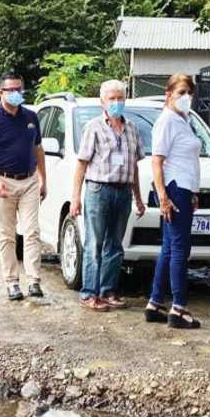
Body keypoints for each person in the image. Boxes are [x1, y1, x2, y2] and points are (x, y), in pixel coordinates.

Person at [71, 80, 146, 312]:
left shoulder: (132, 128)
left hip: (122, 191)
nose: (116, 103)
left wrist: (138, 197)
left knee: (115, 245)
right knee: (94, 243)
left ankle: (108, 290)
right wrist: (75, 198)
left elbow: (134, 167)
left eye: (120, 98)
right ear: (102, 102)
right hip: (98, 190)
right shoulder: (93, 127)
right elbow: (81, 165)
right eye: (111, 99)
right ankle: (89, 293)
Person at [0, 72, 47, 301]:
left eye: (18, 89)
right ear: (0, 92)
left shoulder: (31, 117)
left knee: (32, 231)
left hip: (29, 181)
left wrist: (44, 178)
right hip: (3, 181)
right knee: (6, 235)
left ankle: (34, 281)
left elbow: (38, 149)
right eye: (10, 90)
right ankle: (12, 282)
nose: (15, 94)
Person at [146, 74, 203, 330]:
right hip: (174, 189)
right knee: (180, 249)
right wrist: (164, 198)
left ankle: (155, 303)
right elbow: (157, 161)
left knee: (170, 248)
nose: (185, 97)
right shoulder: (167, 121)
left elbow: (186, 159)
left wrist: (193, 192)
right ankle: (178, 308)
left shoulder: (184, 119)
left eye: (189, 93)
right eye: (180, 92)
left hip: (183, 188)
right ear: (168, 94)